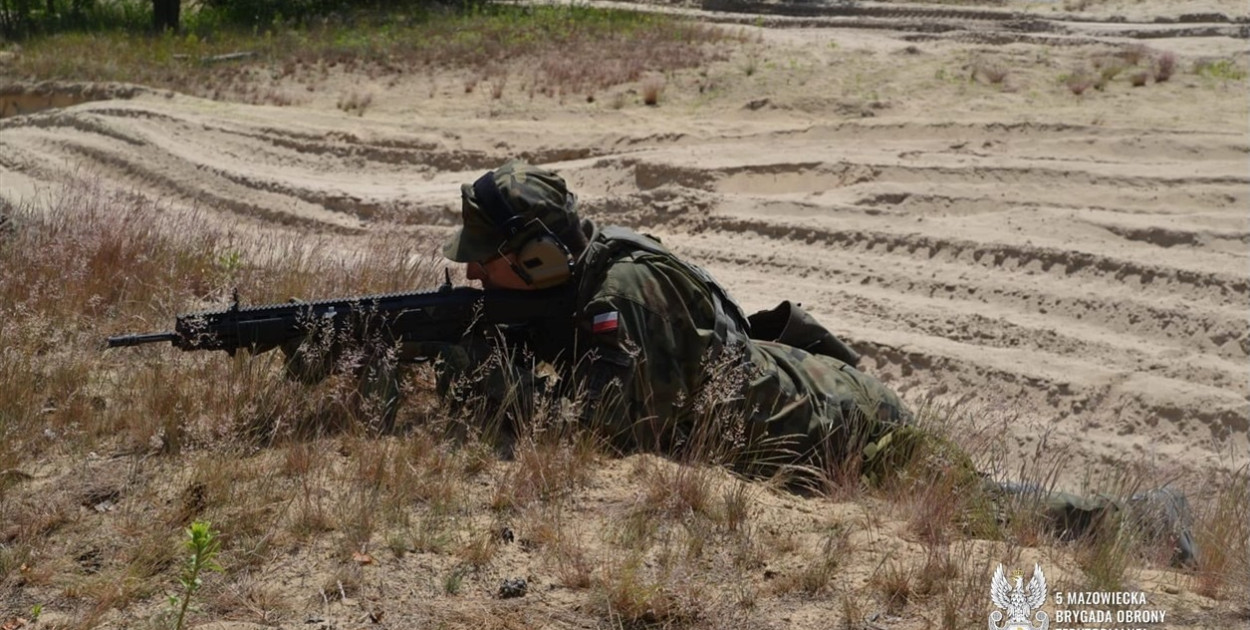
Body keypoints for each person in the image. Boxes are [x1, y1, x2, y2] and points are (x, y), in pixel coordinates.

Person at [286, 159, 1197, 566]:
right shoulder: (572, 288)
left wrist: (457, 372)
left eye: (486, 258)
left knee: (980, 511)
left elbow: (599, 432)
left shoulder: (626, 295)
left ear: (536, 260)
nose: (470, 272)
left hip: (835, 426)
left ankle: (1151, 527)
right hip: (803, 413)